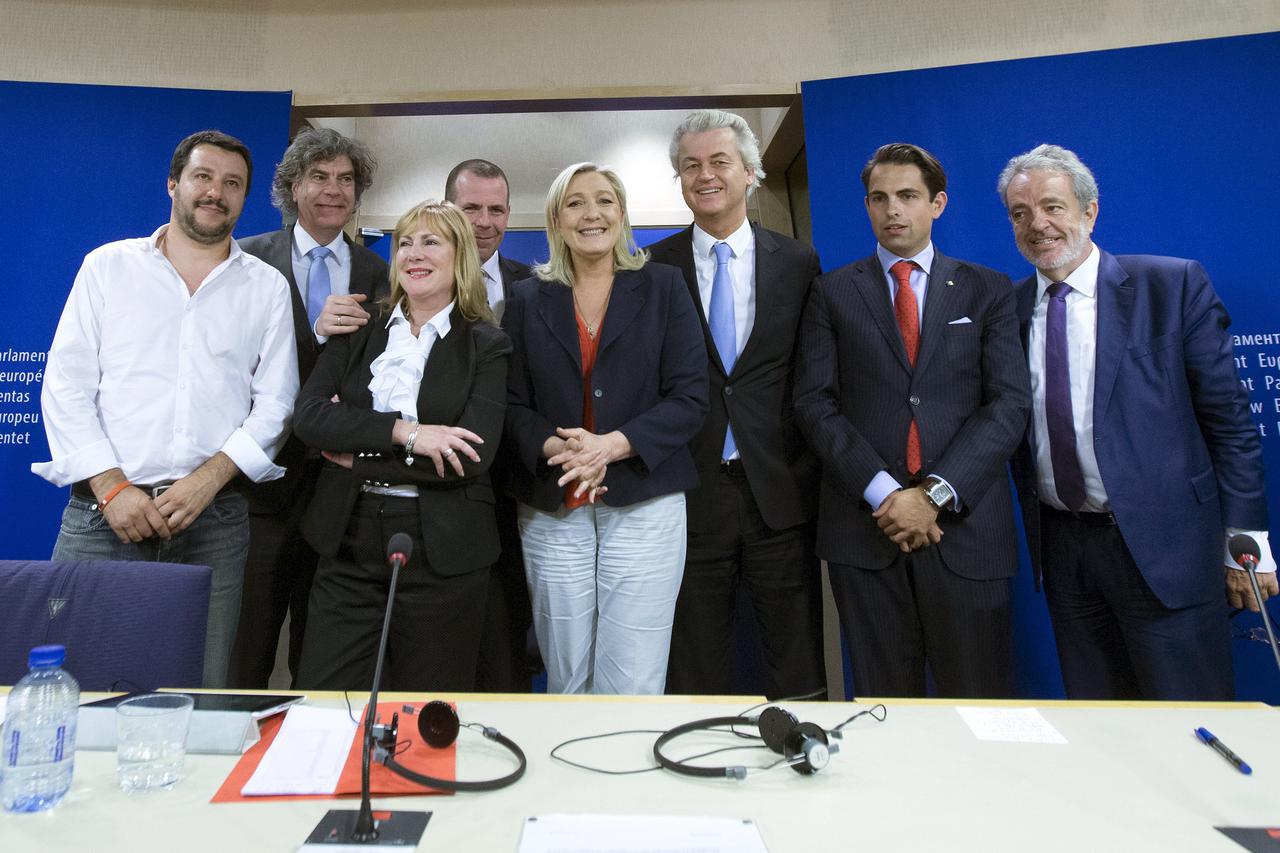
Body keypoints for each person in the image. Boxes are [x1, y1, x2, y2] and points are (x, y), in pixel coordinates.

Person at [999, 144, 1274, 700]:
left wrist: (1248, 542)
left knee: (1191, 723)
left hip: (1167, 550)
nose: (1038, 224)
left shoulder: (1169, 287)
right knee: (1103, 727)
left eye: (1052, 206)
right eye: (1020, 212)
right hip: (1066, 551)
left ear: (1089, 211)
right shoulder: (1007, 310)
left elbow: (1229, 421)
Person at [32, 130, 298, 689]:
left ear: (244, 198)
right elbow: (65, 386)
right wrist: (112, 486)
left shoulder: (267, 287)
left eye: (232, 184)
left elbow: (275, 403)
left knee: (196, 691)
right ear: (173, 183)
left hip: (213, 522)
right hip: (101, 518)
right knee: (73, 690)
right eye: (203, 177)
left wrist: (208, 480)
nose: (215, 193)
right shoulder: (108, 268)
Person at [794, 143, 1029, 699]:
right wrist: (886, 494)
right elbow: (814, 404)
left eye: (906, 196)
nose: (891, 210)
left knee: (979, 704)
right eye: (878, 198)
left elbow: (1008, 404)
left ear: (937, 204)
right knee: (884, 707)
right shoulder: (831, 293)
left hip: (966, 532)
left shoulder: (987, 289)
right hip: (866, 533)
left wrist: (933, 496)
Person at [502, 162, 708, 695]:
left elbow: (690, 397)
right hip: (555, 505)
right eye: (574, 203)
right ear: (556, 219)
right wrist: (565, 450)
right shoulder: (526, 297)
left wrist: (610, 448)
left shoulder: (664, 285)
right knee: (566, 673)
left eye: (604, 201)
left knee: (634, 674)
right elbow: (511, 405)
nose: (591, 213)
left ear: (622, 214)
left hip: (645, 500)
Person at [290, 201, 510, 691]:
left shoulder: (488, 345)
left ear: (460, 257)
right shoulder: (360, 326)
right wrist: (406, 433)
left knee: (426, 709)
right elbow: (310, 417)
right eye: (405, 242)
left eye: (431, 242)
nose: (415, 253)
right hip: (347, 542)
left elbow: (470, 457)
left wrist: (360, 450)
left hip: (444, 553)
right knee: (326, 698)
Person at [648, 110, 825, 699]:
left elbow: (812, 377)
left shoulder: (800, 264)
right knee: (694, 664)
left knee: (797, 660)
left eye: (719, 162)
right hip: (688, 494)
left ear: (751, 173)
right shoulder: (652, 269)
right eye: (691, 165)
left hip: (779, 491)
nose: (706, 176)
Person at [230, 127, 388, 689]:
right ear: (292, 187)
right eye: (319, 177)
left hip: (341, 492)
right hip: (262, 487)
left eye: (346, 179)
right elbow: (233, 366)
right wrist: (316, 337)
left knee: (323, 653)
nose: (334, 190)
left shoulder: (381, 272)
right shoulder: (245, 259)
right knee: (245, 643)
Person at [445, 158, 536, 692]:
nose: (484, 221)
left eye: (496, 209)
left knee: (510, 634)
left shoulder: (536, 285)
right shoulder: (414, 281)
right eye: (470, 208)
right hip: (444, 485)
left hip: (516, 485)